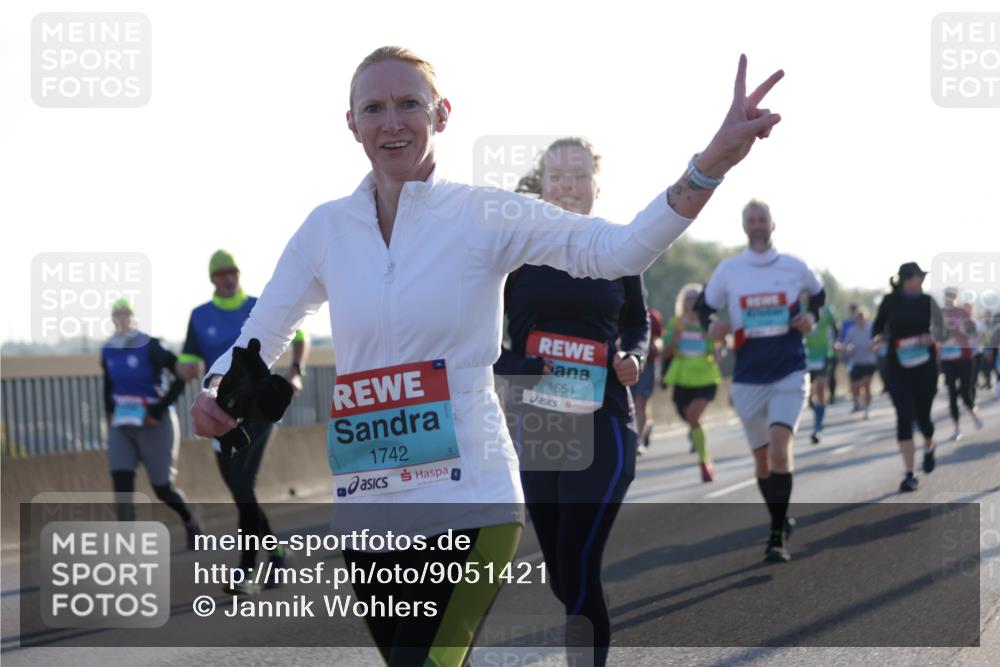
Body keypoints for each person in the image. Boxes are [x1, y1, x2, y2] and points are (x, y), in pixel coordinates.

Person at [190, 46, 784, 665]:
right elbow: (262, 332)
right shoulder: (325, 229)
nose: (391, 122)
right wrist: (217, 391)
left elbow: (619, 250)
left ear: (441, 115)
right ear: (351, 123)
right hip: (367, 500)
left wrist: (711, 164)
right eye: (374, 108)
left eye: (408, 104)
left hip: (469, 495)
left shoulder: (482, 214)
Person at [494, 136, 649, 667]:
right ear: (542, 184)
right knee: (561, 571)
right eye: (558, 176)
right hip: (539, 425)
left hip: (604, 417)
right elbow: (480, 339)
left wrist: (634, 356)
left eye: (579, 175)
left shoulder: (617, 246)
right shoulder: (514, 254)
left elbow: (636, 321)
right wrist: (517, 367)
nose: (568, 185)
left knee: (579, 564)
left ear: (596, 184)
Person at [696, 199, 824, 563]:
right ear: (743, 226)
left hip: (789, 368)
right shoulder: (729, 270)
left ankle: (775, 535)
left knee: (781, 448)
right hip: (748, 374)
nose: (756, 225)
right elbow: (704, 307)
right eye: (750, 220)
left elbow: (819, 295)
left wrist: (811, 317)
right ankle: (780, 519)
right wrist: (713, 326)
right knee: (763, 461)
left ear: (772, 224)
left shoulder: (794, 266)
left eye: (762, 219)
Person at [178, 249, 309, 594]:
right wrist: (184, 368)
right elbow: (189, 358)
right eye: (222, 273)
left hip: (260, 408)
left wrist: (296, 372)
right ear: (212, 278)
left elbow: (299, 337)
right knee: (240, 491)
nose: (229, 277)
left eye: (233, 271)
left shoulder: (257, 306)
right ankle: (277, 554)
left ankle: (247, 571)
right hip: (220, 412)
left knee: (241, 484)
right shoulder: (199, 316)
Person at [101, 298, 201, 547]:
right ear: (113, 319)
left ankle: (190, 519)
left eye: (126, 314)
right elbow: (108, 384)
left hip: (153, 423)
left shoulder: (151, 346)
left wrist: (159, 408)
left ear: (133, 317)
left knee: (162, 488)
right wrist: (109, 411)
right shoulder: (107, 350)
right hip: (123, 426)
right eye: (117, 314)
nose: (122, 318)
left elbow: (179, 375)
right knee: (121, 483)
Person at [871, 262, 945, 493]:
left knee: (923, 417)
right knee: (904, 416)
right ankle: (910, 474)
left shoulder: (928, 301)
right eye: (918, 276)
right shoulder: (890, 301)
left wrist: (931, 337)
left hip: (925, 367)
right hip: (898, 366)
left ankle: (930, 445)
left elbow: (943, 330)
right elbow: (877, 326)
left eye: (923, 276)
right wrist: (878, 337)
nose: (921, 280)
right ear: (906, 279)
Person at [663, 283, 723, 481]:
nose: (692, 301)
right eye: (688, 297)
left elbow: (719, 352)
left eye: (696, 297)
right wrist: (674, 339)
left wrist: (716, 349)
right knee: (687, 415)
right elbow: (666, 352)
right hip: (682, 375)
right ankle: (696, 434)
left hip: (705, 375)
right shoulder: (676, 323)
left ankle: (704, 462)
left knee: (694, 415)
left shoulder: (709, 323)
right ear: (682, 302)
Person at [940, 288, 983, 441]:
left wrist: (960, 332)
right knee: (951, 393)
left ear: (956, 297)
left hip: (965, 357)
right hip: (947, 359)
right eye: (947, 295)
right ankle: (956, 428)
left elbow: (972, 332)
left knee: (965, 391)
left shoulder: (962, 312)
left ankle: (973, 413)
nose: (950, 298)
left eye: (952, 295)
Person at [804, 301, 837, 444]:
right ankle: (817, 416)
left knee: (821, 389)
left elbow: (835, 330)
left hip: (823, 354)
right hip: (806, 356)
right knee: (809, 396)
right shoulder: (800, 308)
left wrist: (834, 343)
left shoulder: (828, 311)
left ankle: (817, 427)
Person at [634, 306, 664, 453]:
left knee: (641, 401)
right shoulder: (620, 312)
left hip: (648, 364)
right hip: (626, 363)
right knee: (632, 402)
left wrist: (656, 346)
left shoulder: (653, 317)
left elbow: (659, 339)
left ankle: (638, 440)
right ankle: (646, 425)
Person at [843, 307, 877, 419]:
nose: (861, 320)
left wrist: (874, 346)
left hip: (869, 362)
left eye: (862, 317)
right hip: (857, 362)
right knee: (855, 386)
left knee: (867, 384)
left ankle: (867, 409)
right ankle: (858, 401)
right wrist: (847, 349)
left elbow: (879, 341)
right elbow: (846, 343)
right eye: (858, 318)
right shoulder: (852, 330)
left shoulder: (872, 328)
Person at [837, 303, 861, 410]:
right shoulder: (845, 323)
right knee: (852, 377)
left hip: (862, 355)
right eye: (852, 311)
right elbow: (841, 338)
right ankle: (856, 400)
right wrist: (842, 346)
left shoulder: (862, 320)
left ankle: (859, 397)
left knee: (862, 379)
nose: (853, 313)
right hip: (850, 355)